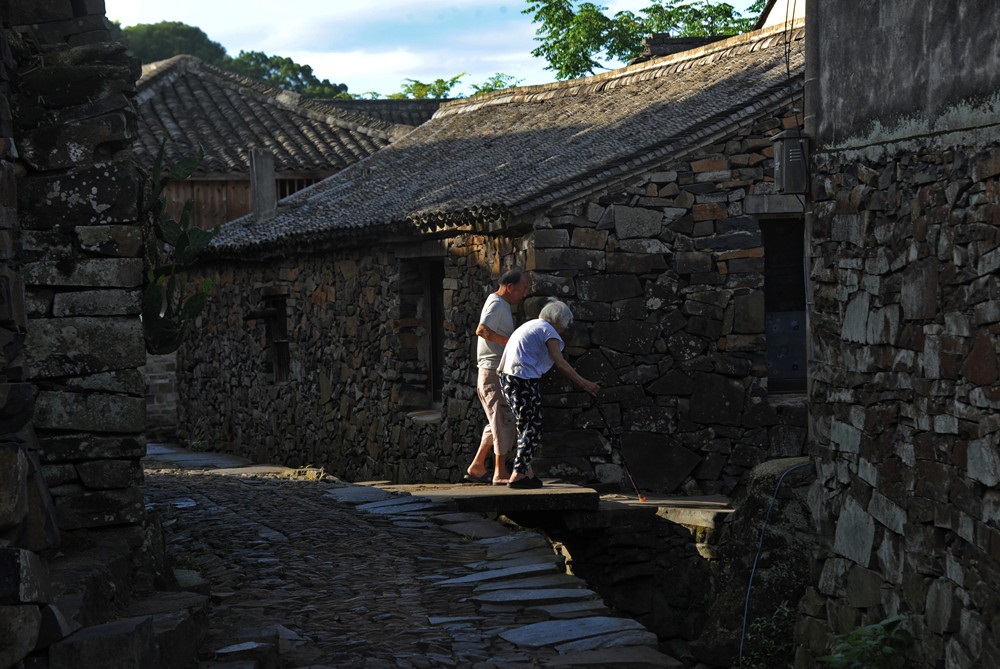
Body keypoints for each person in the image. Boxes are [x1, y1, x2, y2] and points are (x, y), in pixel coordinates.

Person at [497, 299, 600, 489]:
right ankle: (518, 474)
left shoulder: (531, 325)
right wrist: (585, 384)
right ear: (558, 320)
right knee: (532, 425)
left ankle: (526, 472)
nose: (565, 330)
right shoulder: (548, 330)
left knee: (525, 424)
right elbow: (562, 364)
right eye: (565, 325)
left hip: (507, 378)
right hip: (522, 379)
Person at [463, 268, 530, 485]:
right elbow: (482, 330)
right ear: (510, 287)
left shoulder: (502, 305)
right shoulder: (496, 303)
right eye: (522, 289)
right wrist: (511, 344)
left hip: (495, 372)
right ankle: (500, 473)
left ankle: (477, 466)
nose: (524, 294)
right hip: (491, 372)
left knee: (498, 420)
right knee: (502, 420)